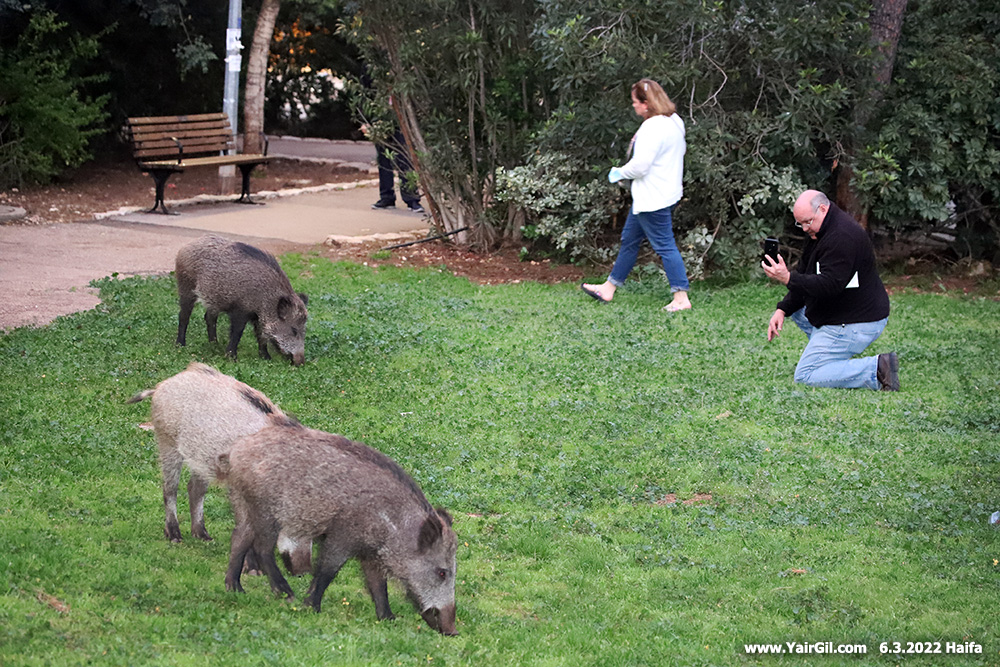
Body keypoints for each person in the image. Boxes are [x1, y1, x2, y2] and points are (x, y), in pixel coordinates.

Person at [761, 190, 899, 391]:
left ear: (823, 209)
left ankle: (876, 368)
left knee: (806, 375)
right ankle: (829, 356)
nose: (804, 228)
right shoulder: (819, 230)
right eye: (800, 223)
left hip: (859, 319)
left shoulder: (842, 237)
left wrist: (787, 278)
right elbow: (807, 275)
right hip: (842, 310)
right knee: (798, 312)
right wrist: (783, 309)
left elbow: (829, 286)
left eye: (807, 222)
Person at [581, 78, 691, 312]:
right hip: (665, 192)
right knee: (629, 239)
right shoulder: (674, 121)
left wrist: (619, 172)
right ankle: (608, 288)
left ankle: (681, 297)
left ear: (647, 104)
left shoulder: (653, 127)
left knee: (665, 246)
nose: (633, 106)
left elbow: (641, 166)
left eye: (635, 102)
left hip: (653, 198)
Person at [370, 128, 424, 213]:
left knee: (405, 160)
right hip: (380, 123)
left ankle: (411, 198)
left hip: (399, 124)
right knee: (383, 160)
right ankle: (387, 197)